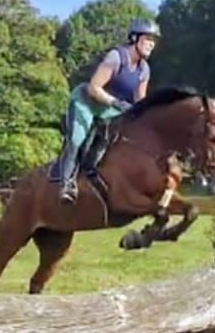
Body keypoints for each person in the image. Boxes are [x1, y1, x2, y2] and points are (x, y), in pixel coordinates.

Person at [57, 19, 160, 204]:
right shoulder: (116, 57)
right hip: (87, 101)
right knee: (77, 139)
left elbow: (140, 101)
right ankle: (67, 184)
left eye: (154, 41)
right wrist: (116, 103)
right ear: (135, 38)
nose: (152, 44)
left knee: (114, 138)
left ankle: (95, 173)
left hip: (110, 108)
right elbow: (94, 88)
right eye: (147, 39)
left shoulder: (144, 69)